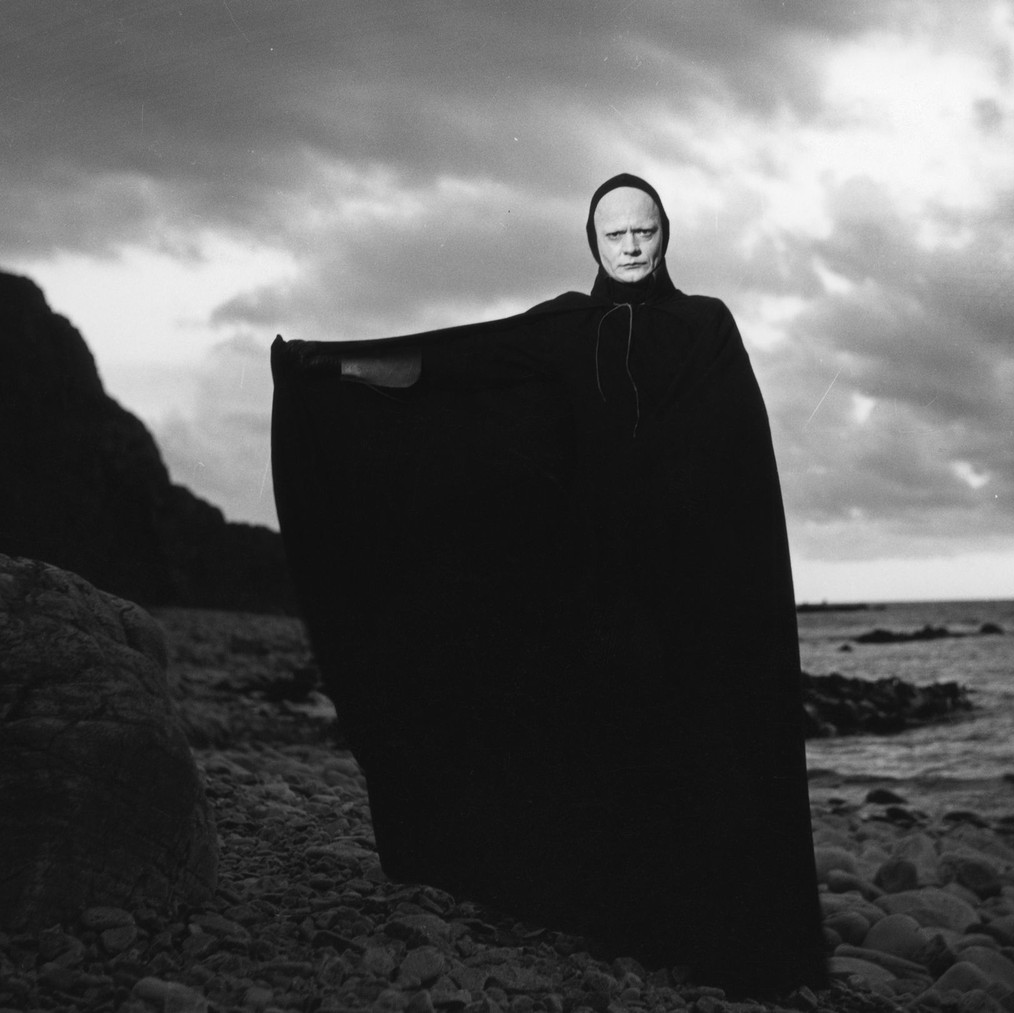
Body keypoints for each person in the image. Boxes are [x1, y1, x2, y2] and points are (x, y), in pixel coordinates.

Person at [271, 174, 824, 994]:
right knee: (608, 740)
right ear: (592, 242)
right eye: (614, 234)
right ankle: (627, 917)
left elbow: (738, 454)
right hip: (596, 578)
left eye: (643, 231)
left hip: (689, 579)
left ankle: (721, 933)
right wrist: (332, 364)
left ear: (666, 233)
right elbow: (455, 363)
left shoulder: (707, 323)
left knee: (701, 746)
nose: (630, 245)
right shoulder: (564, 325)